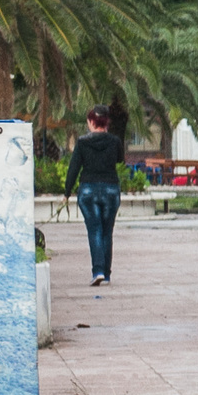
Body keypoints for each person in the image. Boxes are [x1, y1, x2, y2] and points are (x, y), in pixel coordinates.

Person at [63, 107, 126, 286]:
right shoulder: (115, 141)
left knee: (95, 230)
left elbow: (74, 168)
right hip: (110, 189)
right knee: (107, 231)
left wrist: (67, 192)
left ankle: (98, 270)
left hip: (88, 190)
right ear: (107, 122)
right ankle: (106, 274)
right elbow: (120, 160)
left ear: (91, 122)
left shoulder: (82, 142)